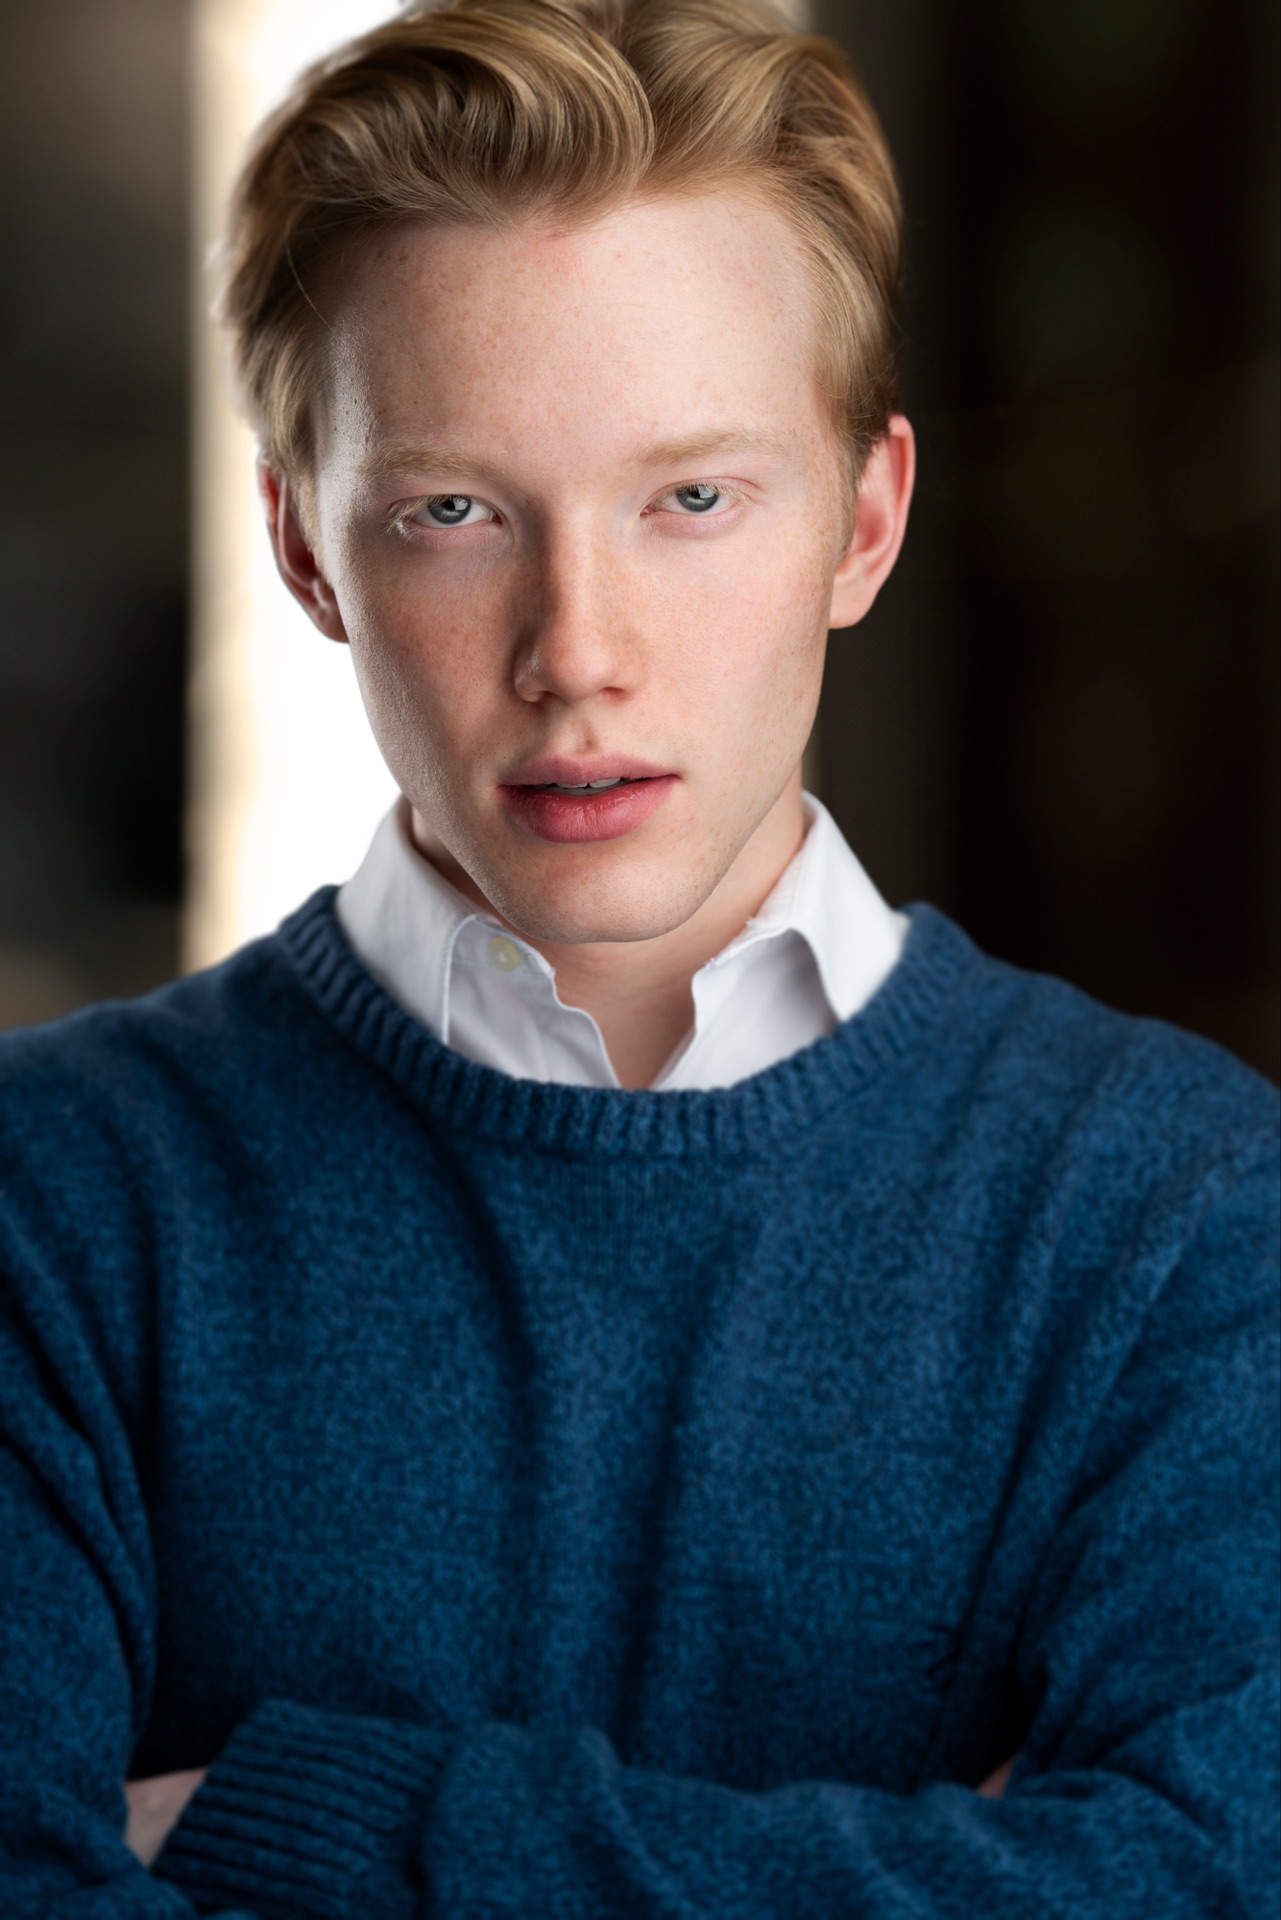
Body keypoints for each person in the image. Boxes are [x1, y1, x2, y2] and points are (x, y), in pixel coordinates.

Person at [0, 0, 1276, 1913]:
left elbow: (1199, 1884)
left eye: (691, 498)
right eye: (450, 512)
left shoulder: (1178, 1213)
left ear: (862, 524)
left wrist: (319, 1823)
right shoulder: (50, 1202)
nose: (575, 651)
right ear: (304, 548)